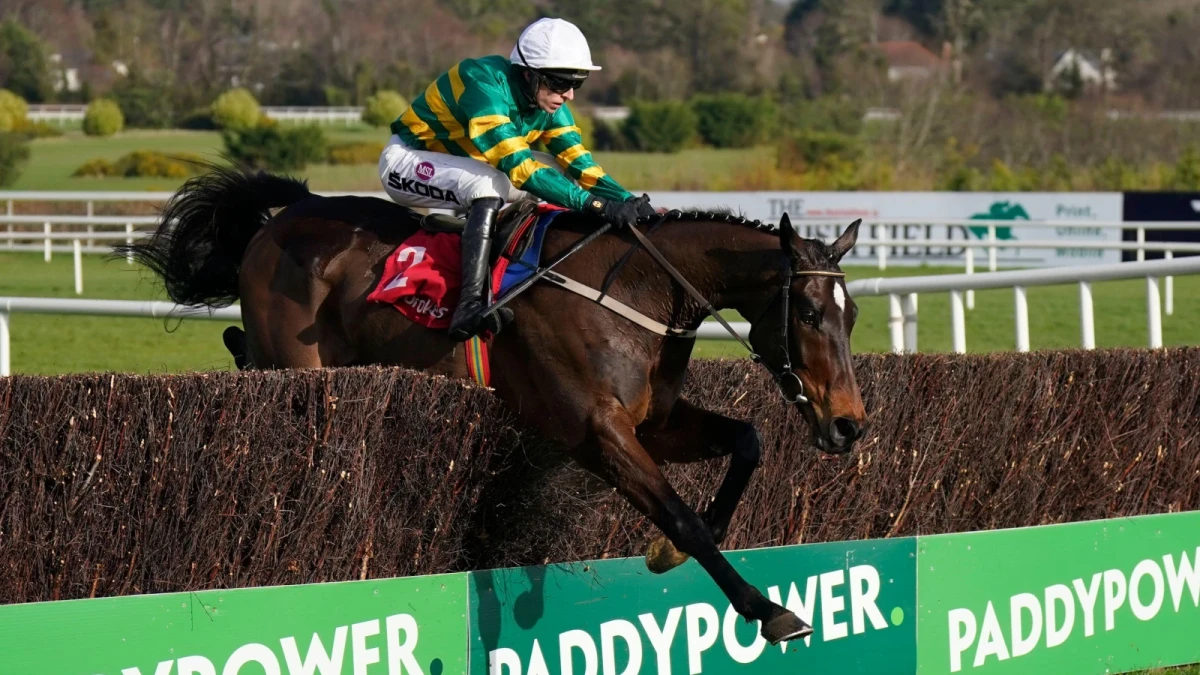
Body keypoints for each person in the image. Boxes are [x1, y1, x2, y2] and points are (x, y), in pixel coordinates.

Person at [378, 17, 654, 341]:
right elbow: (518, 167)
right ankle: (468, 305)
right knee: (488, 183)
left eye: (576, 84)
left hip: (464, 163)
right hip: (407, 161)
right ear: (528, 74)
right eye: (560, 83)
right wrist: (594, 205)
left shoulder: (547, 102)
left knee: (558, 171)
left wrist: (625, 200)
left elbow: (580, 164)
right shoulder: (482, 83)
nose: (569, 96)